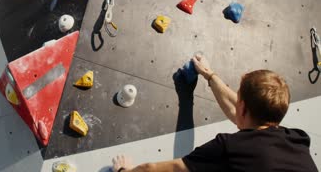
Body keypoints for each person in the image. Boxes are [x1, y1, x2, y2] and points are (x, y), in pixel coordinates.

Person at [112, 54, 318, 172]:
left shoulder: (231, 148)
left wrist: (124, 171)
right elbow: (240, 113)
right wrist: (210, 75)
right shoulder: (298, 140)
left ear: (244, 107)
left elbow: (165, 169)